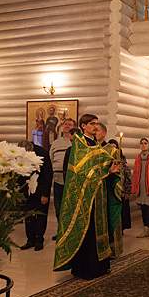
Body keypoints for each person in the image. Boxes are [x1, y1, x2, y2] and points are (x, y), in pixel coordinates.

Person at [53, 114, 122, 279]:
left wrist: (112, 171)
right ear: (83, 126)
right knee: (87, 231)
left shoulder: (97, 145)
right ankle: (86, 268)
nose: (95, 126)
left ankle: (101, 266)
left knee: (100, 229)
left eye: (97, 123)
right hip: (84, 198)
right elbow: (82, 173)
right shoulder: (79, 146)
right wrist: (106, 172)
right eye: (92, 123)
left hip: (100, 196)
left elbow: (101, 169)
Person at [18, 140, 53, 252]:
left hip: (41, 189)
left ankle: (39, 240)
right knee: (28, 215)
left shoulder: (42, 153)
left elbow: (48, 174)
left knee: (41, 215)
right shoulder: (20, 154)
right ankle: (30, 240)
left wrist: (45, 194)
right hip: (27, 190)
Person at [49, 117, 76, 240]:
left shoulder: (75, 142)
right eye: (65, 124)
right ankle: (61, 231)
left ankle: (70, 232)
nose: (67, 126)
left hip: (71, 180)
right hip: (57, 179)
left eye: (70, 124)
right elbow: (50, 159)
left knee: (70, 207)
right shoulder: (56, 143)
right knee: (58, 207)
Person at [131, 137, 149, 238]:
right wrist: (134, 188)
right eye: (141, 143)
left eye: (145, 143)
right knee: (143, 209)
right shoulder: (138, 158)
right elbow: (135, 174)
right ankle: (145, 230)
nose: (143, 145)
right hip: (141, 189)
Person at [108, 139, 132, 232]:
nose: (113, 149)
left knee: (121, 212)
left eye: (115, 147)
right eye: (111, 147)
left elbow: (128, 177)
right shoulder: (107, 161)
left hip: (121, 190)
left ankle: (120, 230)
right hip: (111, 190)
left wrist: (127, 191)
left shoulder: (122, 162)